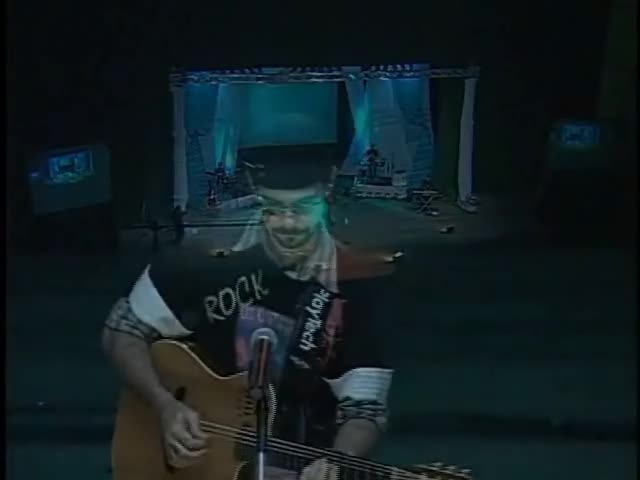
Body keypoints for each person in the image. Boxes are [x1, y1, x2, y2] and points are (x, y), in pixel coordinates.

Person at [102, 145, 398, 479]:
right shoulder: (206, 259)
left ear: (326, 195)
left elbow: (365, 411)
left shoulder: (355, 285)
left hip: (294, 458)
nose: (287, 223)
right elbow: (121, 330)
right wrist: (164, 405)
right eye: (273, 209)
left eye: (303, 208)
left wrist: (339, 459)